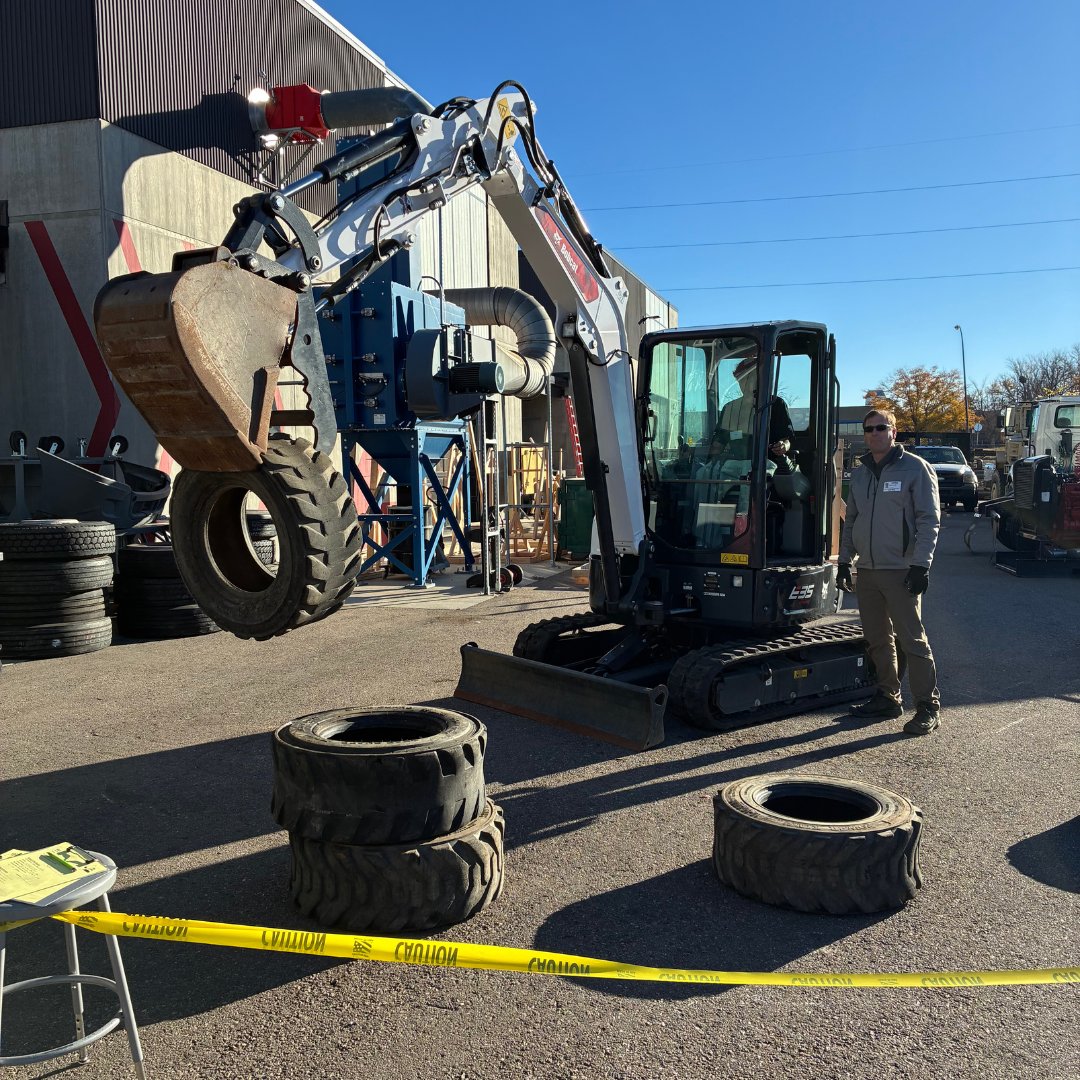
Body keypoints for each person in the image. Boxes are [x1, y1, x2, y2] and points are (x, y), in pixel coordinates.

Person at [837, 408, 942, 735]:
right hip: (867, 570)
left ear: (894, 432)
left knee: (912, 640)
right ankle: (888, 697)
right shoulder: (860, 474)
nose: (874, 433)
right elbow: (852, 520)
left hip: (901, 570)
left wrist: (921, 565)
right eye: (869, 429)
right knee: (877, 640)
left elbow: (929, 520)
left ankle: (927, 707)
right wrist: (844, 561)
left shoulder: (916, 468)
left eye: (881, 428)